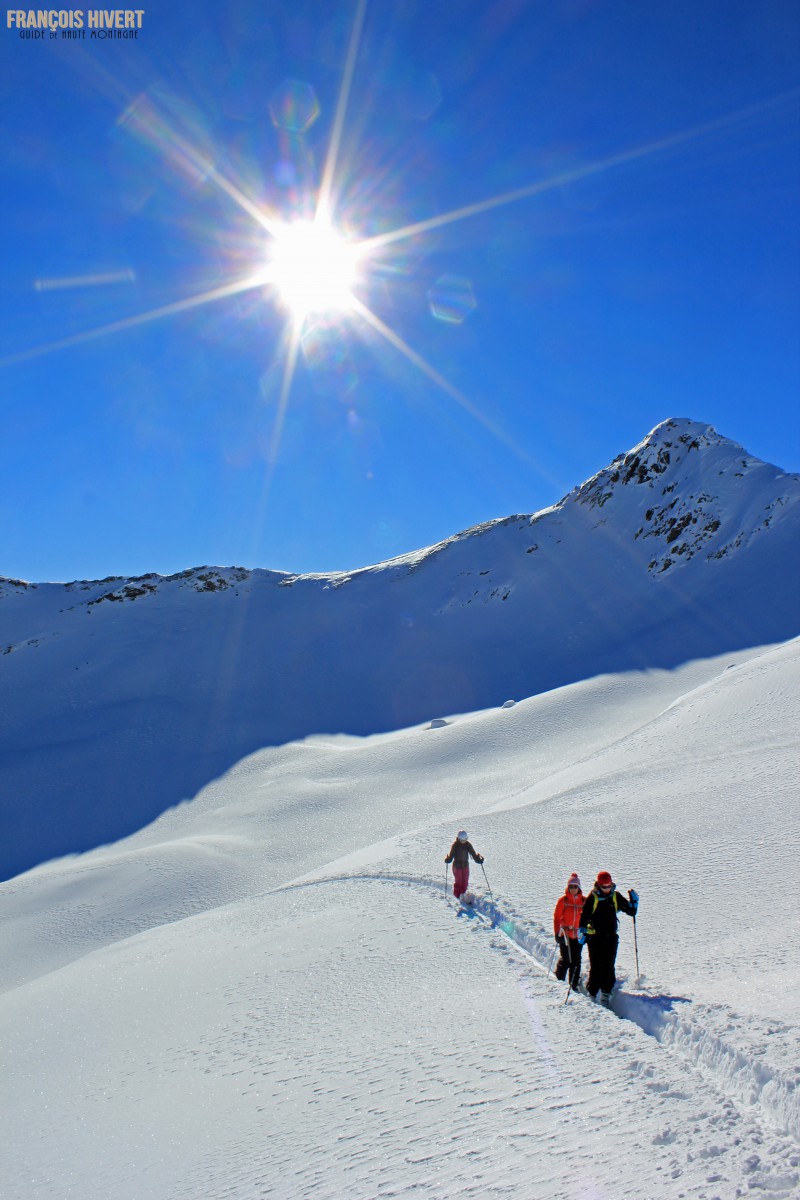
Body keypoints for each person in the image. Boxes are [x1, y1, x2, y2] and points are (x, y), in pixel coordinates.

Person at [578, 870, 639, 1005]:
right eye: (604, 887)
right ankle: (592, 993)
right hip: (595, 938)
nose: (607, 889)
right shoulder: (593, 898)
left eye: (609, 886)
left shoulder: (615, 897)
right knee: (597, 966)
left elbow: (631, 911)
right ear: (599, 886)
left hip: (611, 938)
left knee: (609, 966)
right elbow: (584, 917)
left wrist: (634, 902)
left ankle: (606, 993)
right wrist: (582, 931)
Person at [552, 872, 585, 990]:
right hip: (565, 934)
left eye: (575, 887)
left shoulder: (584, 901)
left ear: (579, 887)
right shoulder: (563, 901)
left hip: (578, 935)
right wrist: (557, 933)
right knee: (566, 958)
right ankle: (559, 980)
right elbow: (557, 917)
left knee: (576, 960)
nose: (573, 889)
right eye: (571, 887)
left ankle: (574, 983)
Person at [444, 831, 484, 901]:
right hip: (457, 866)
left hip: (465, 865)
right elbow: (451, 855)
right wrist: (448, 860)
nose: (464, 842)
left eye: (465, 840)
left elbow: (473, 854)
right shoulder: (455, 845)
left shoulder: (468, 845)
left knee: (465, 881)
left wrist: (478, 860)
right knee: (459, 882)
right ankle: (457, 896)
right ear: (459, 839)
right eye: (462, 840)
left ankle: (463, 894)